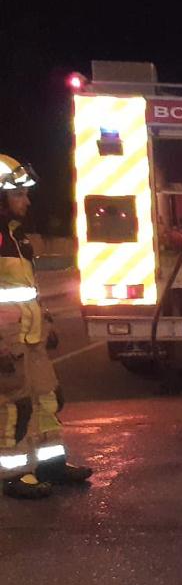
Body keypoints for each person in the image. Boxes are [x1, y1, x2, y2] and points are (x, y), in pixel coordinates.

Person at [0, 154, 92, 500]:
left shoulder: (16, 238)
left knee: (47, 400)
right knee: (14, 408)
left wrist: (46, 321)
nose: (26, 201)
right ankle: (14, 475)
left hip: (29, 339)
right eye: (18, 194)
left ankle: (50, 465)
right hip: (8, 343)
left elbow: (25, 290)